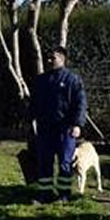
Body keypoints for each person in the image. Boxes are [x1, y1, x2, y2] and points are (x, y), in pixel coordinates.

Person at [30, 46, 87, 203]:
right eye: (48, 58)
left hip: (65, 129)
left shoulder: (73, 80)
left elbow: (80, 104)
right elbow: (34, 103)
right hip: (45, 129)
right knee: (44, 163)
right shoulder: (41, 80)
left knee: (65, 164)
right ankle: (45, 194)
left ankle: (64, 195)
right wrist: (30, 120)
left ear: (62, 59)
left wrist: (77, 125)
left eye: (53, 58)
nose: (49, 61)